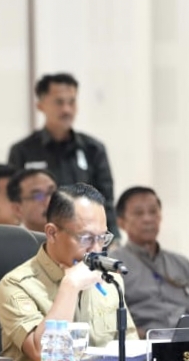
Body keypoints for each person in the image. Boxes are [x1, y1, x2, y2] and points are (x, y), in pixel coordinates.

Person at [0, 183, 137, 361]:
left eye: (102, 238)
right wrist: (70, 285)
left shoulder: (110, 280)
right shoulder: (15, 285)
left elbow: (132, 352)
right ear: (52, 233)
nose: (96, 249)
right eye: (86, 238)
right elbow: (43, 354)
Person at [8, 73, 118, 238]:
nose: (66, 109)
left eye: (72, 102)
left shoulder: (93, 149)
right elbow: (14, 200)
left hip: (85, 238)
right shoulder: (22, 151)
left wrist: (113, 238)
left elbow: (105, 201)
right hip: (37, 237)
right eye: (59, 102)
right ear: (40, 105)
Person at [110, 186, 189, 337]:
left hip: (186, 341)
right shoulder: (112, 264)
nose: (148, 219)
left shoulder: (181, 262)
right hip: (142, 343)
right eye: (138, 213)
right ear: (121, 222)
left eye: (153, 212)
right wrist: (148, 339)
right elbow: (111, 319)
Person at [7, 168, 57, 233]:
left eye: (52, 193)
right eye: (38, 196)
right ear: (17, 209)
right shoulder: (12, 238)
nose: (49, 201)